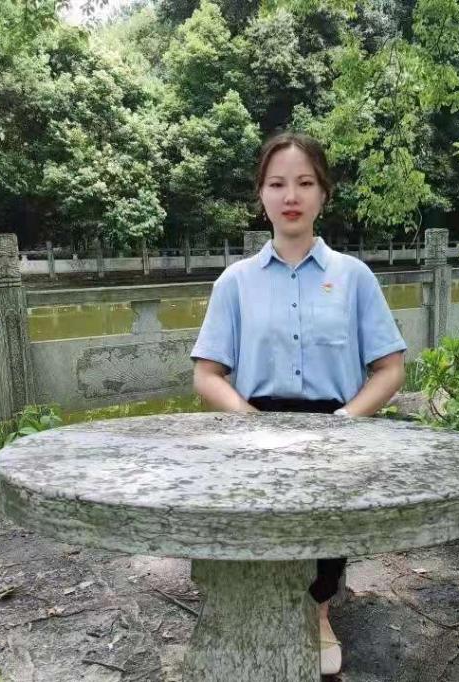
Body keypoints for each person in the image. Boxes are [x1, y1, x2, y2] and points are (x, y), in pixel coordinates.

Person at [190, 132, 407, 676]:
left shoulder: (353, 277)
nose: (291, 196)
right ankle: (256, 612)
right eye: (277, 184)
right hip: (254, 424)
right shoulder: (235, 282)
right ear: (261, 195)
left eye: (305, 183)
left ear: (323, 194)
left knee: (325, 531)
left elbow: (389, 369)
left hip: (334, 424)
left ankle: (319, 614)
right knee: (260, 529)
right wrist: (248, 420)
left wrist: (345, 421)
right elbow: (207, 374)